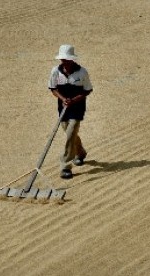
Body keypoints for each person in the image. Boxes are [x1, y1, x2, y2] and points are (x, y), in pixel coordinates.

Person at [48, 44, 93, 179]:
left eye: (67, 59)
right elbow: (52, 88)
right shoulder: (55, 71)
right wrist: (62, 99)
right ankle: (80, 152)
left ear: (72, 59)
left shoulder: (82, 72)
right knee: (70, 133)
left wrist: (73, 100)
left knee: (71, 132)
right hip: (63, 108)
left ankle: (66, 166)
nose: (64, 62)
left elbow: (87, 90)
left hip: (77, 107)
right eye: (62, 59)